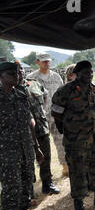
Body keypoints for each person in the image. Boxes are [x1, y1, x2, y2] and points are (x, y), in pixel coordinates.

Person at [51, 61, 95, 210]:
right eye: (86, 72)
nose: (89, 74)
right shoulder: (66, 91)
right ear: (77, 74)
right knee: (78, 171)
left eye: (91, 72)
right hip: (75, 140)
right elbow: (56, 113)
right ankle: (79, 203)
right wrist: (65, 130)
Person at [0, 62, 44, 210]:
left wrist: (36, 146)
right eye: (12, 73)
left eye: (18, 73)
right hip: (6, 152)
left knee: (27, 184)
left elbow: (29, 122)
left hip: (26, 148)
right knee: (11, 189)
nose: (17, 76)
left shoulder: (20, 94)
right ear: (1, 75)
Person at [15, 64, 54, 197]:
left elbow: (44, 98)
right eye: (16, 71)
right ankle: (29, 191)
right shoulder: (10, 89)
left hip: (40, 128)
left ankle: (47, 183)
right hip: (23, 133)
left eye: (21, 69)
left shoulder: (34, 84)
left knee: (46, 156)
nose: (20, 72)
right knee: (27, 161)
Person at [27, 53, 63, 194]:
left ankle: (64, 166)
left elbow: (61, 93)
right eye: (44, 61)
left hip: (55, 114)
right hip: (39, 118)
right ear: (37, 62)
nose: (47, 63)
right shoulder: (31, 79)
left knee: (60, 140)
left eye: (48, 61)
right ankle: (42, 179)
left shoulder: (56, 77)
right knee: (42, 147)